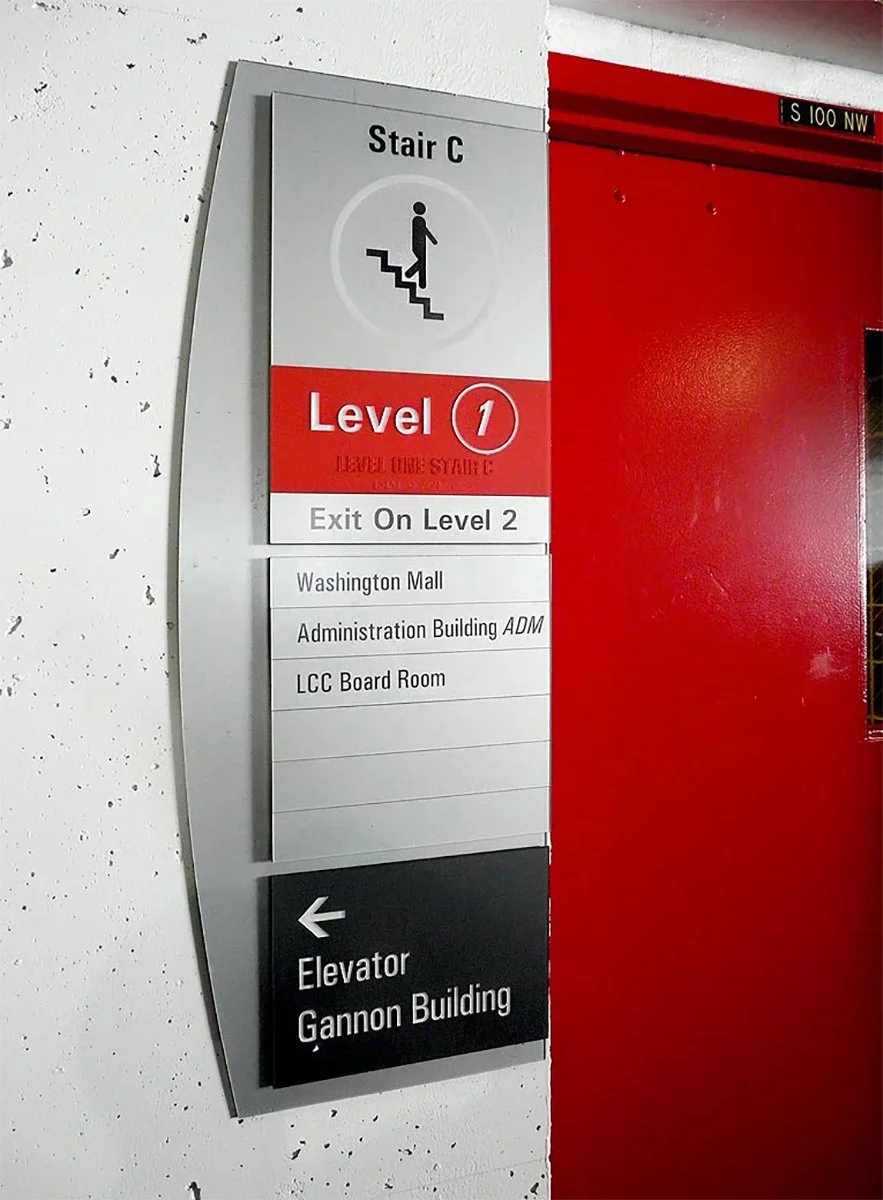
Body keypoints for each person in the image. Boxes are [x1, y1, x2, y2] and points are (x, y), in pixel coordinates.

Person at [404, 201, 437, 291]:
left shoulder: (418, 220)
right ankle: (411, 274)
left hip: (420, 244)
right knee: (422, 262)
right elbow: (425, 231)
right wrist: (433, 240)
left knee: (421, 262)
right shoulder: (419, 220)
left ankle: (412, 275)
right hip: (419, 245)